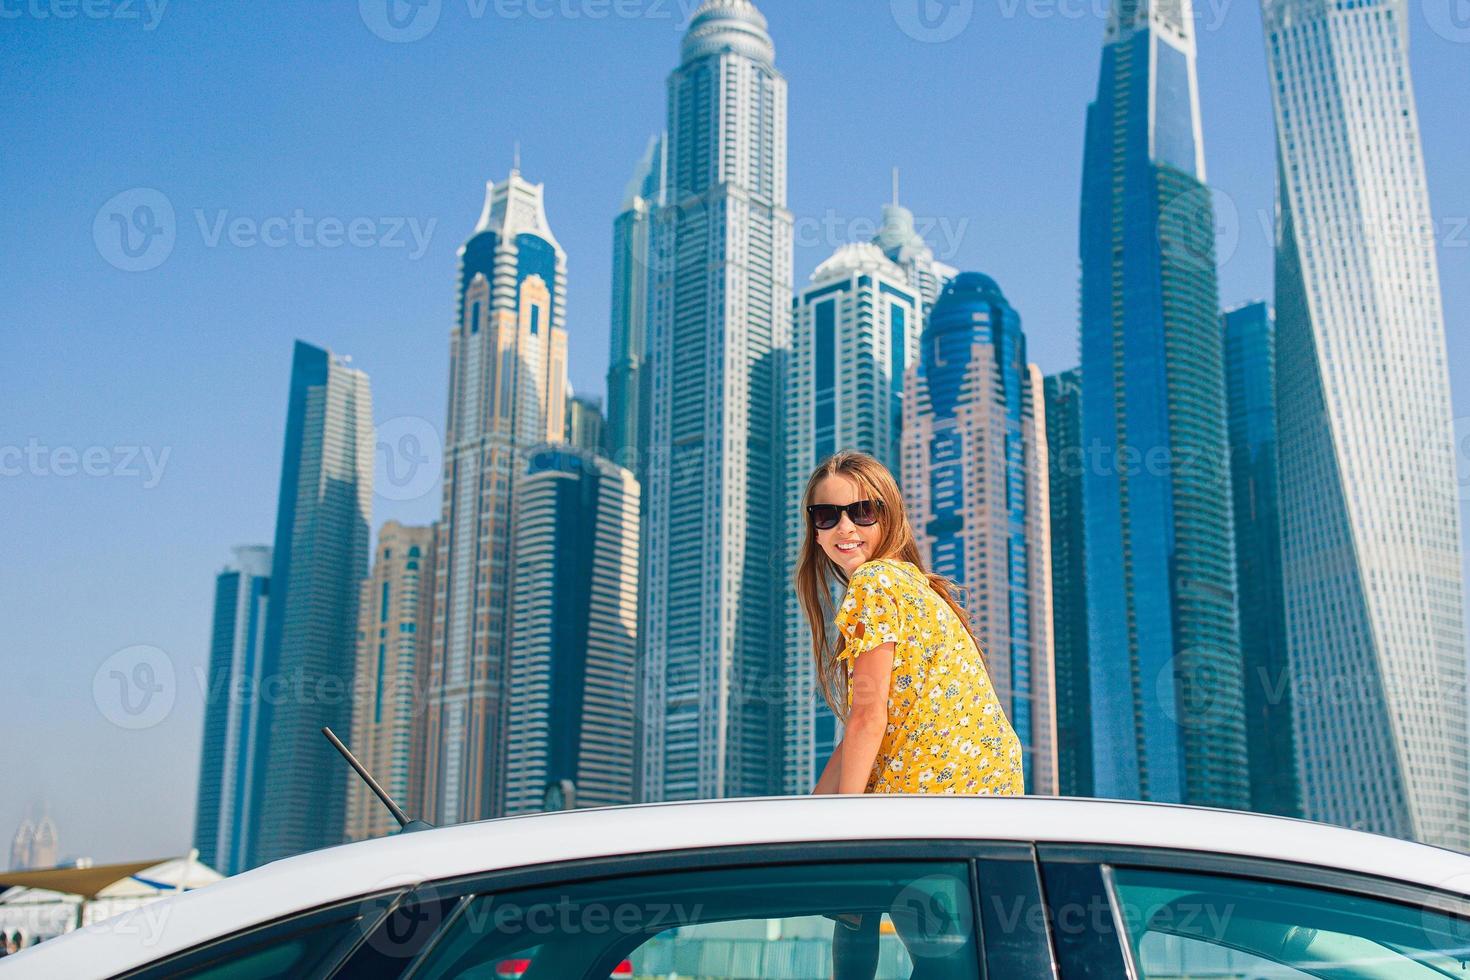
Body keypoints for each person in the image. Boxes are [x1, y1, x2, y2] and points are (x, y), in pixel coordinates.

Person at [795, 451, 1025, 978]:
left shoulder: (875, 585)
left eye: (863, 512)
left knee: (931, 962)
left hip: (931, 810)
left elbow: (868, 718)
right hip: (974, 810)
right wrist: (809, 816)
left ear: (889, 515)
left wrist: (838, 833)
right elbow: (867, 729)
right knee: (932, 955)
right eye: (826, 516)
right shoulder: (914, 586)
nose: (844, 528)